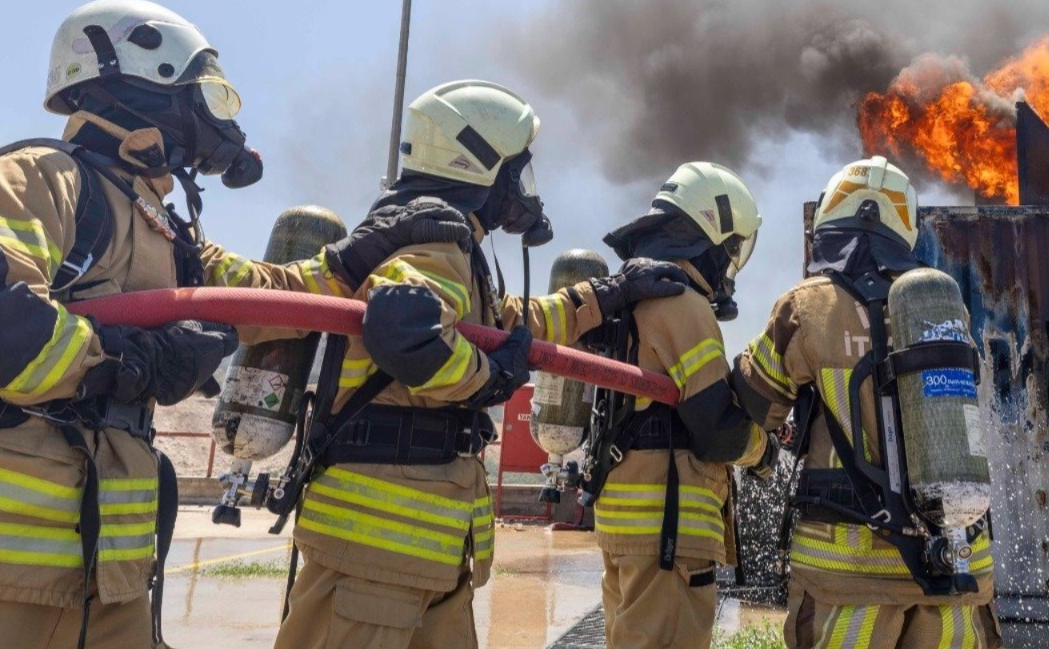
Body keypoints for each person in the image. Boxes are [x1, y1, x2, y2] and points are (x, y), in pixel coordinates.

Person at [0, 0, 470, 649]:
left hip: (99, 578)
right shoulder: (44, 176)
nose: (215, 119)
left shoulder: (166, 234)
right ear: (148, 73)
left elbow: (264, 298)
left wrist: (353, 259)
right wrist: (127, 364)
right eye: (205, 94)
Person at [268, 79, 693, 649]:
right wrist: (491, 378)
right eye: (516, 171)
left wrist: (604, 296)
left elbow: (510, 322)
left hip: (422, 553)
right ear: (477, 163)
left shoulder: (454, 246)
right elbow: (405, 332)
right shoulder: (437, 242)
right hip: (375, 554)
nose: (522, 190)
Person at [732, 156, 1001, 649]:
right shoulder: (942, 303)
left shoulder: (807, 305)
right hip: (957, 569)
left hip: (849, 577)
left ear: (833, 216)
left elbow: (750, 403)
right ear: (903, 226)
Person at [582, 161, 778, 649]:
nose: (731, 265)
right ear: (709, 237)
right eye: (731, 248)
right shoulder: (682, 303)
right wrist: (764, 451)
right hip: (668, 530)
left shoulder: (633, 292)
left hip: (626, 523)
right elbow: (718, 430)